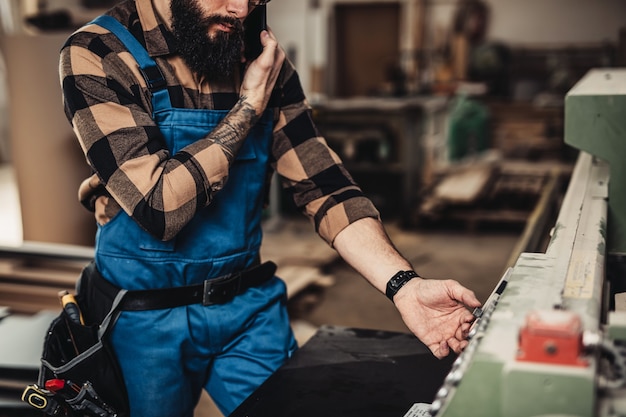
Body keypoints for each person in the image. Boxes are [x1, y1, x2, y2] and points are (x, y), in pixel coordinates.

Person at [59, 0, 482, 416]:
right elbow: (159, 208)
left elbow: (325, 187)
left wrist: (404, 286)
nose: (242, 10)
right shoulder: (99, 52)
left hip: (247, 310)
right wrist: (247, 108)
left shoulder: (258, 59)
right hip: (142, 318)